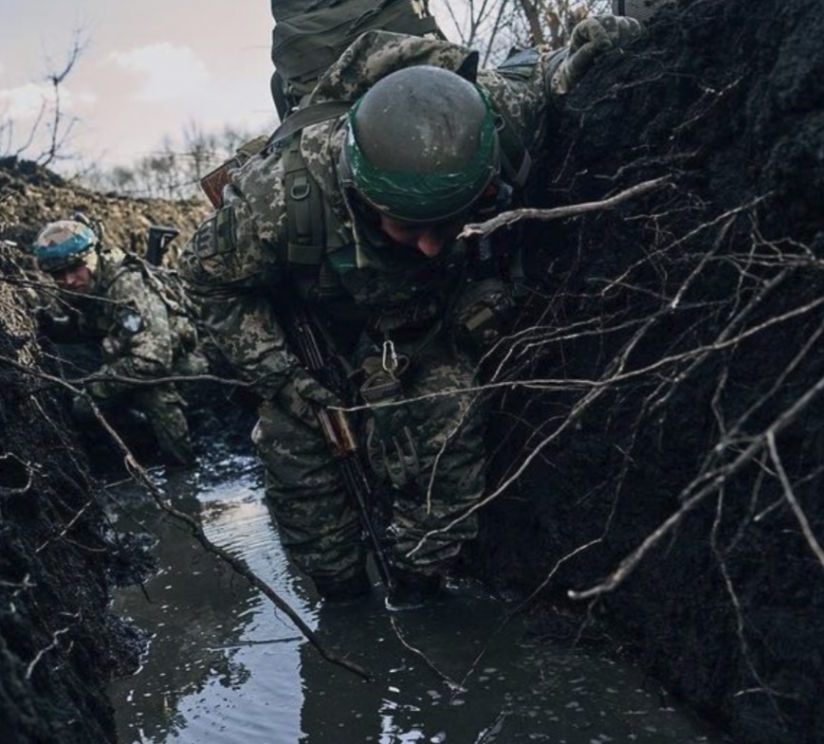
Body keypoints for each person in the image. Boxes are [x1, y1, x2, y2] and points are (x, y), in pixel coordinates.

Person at [179, 17, 643, 604]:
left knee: (450, 422)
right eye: (408, 227)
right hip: (320, 338)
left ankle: (423, 587)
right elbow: (204, 280)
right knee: (298, 465)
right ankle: (342, 599)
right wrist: (288, 381)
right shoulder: (279, 200)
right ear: (360, 193)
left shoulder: (491, 122)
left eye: (447, 224)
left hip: (428, 330)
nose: (430, 246)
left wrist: (583, 54)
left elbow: (544, 74)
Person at [32, 218, 207, 465]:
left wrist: (96, 387)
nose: (69, 280)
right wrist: (53, 328)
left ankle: (183, 469)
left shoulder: (126, 285)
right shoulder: (87, 286)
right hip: (132, 357)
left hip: (186, 365)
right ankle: (139, 441)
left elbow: (153, 360)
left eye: (75, 268)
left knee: (152, 392)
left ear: (92, 255)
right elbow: (90, 328)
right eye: (58, 274)